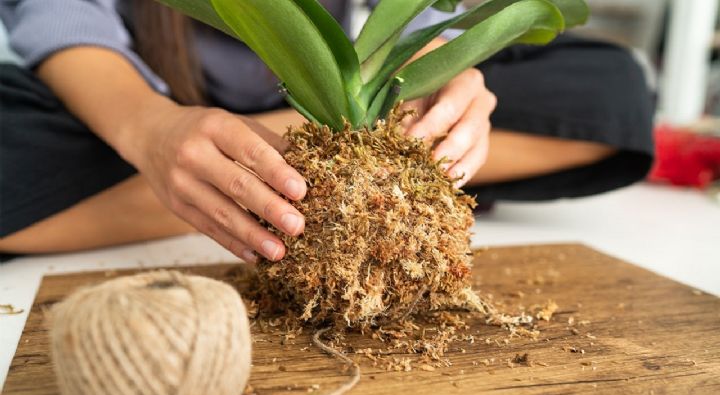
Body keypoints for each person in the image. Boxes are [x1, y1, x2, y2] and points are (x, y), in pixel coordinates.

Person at [0, 1, 654, 262]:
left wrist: (438, 69)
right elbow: (57, 16)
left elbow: (430, 15)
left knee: (608, 84)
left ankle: (265, 173)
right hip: (141, 97)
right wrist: (150, 130)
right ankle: (340, 172)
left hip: (335, 92)